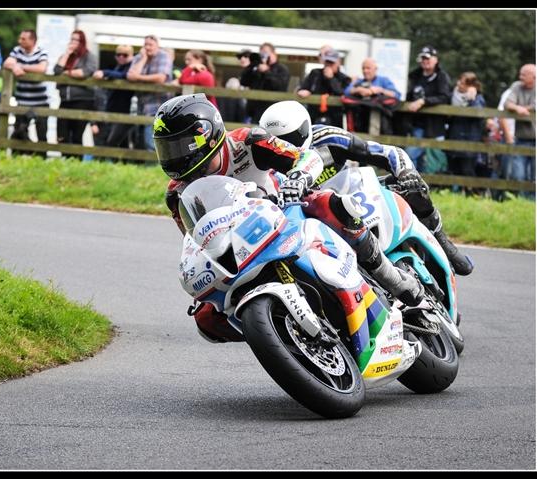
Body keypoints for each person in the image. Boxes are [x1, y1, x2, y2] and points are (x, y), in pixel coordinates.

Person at [154, 94, 424, 343]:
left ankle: (391, 278)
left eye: (179, 146)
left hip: (285, 208)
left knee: (330, 204)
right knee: (206, 320)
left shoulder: (247, 141)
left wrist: (298, 179)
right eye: (166, 149)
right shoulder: (177, 193)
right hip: (242, 241)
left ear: (207, 135)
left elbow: (305, 157)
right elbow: (195, 237)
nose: (173, 158)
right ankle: (280, 333)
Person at [259, 100, 474, 277]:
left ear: (305, 130)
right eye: (277, 141)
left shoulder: (328, 137)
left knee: (414, 188)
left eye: (290, 139)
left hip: (357, 196)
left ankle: (441, 240)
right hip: (316, 220)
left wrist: (406, 174)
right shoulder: (265, 162)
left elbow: (388, 153)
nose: (285, 147)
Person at [402, 46, 452, 172]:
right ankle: (412, 185)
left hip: (434, 126)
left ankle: (428, 185)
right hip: (416, 123)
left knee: (430, 158)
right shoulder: (415, 76)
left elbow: (444, 97)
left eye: (428, 58)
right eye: (423, 58)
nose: (425, 61)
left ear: (435, 60)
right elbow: (407, 94)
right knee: (413, 156)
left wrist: (423, 101)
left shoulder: (441, 77)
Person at [126, 34, 173, 151]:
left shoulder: (163, 56)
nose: (147, 47)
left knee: (151, 140)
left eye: (150, 45)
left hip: (159, 105)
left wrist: (139, 77)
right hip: (141, 105)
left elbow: (161, 78)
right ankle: (147, 166)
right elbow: (130, 76)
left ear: (157, 45)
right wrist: (144, 59)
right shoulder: (140, 57)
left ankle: (154, 166)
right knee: (141, 138)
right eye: (145, 44)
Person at [4, 29, 50, 145]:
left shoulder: (41, 52)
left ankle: (41, 157)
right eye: (20, 38)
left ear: (33, 40)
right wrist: (14, 67)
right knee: (19, 131)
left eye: (23, 39)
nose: (20, 41)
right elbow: (7, 63)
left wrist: (21, 66)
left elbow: (41, 68)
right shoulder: (17, 50)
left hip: (40, 100)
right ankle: (19, 156)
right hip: (22, 100)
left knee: (42, 132)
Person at [53, 30, 98, 146]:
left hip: (82, 100)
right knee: (62, 134)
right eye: (71, 39)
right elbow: (57, 71)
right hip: (65, 100)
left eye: (75, 40)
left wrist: (67, 73)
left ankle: (76, 161)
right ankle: (64, 160)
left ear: (81, 42)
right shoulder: (66, 57)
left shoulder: (89, 56)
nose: (72, 42)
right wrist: (67, 54)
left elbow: (85, 72)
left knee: (77, 135)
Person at [447, 72, 487, 191]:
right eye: (459, 80)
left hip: (469, 140)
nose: (458, 84)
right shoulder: (453, 96)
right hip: (453, 137)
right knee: (454, 169)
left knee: (467, 171)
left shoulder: (478, 98)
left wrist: (471, 99)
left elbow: (479, 114)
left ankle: (473, 194)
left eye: (462, 82)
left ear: (471, 85)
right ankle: (456, 194)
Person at [92, 44, 136, 148]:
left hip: (125, 109)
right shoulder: (118, 67)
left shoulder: (132, 66)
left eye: (125, 55)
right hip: (113, 108)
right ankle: (120, 162)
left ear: (131, 56)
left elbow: (124, 75)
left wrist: (105, 72)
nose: (121, 57)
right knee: (119, 140)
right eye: (118, 54)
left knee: (113, 140)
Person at [342, 57, 401, 134]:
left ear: (375, 69)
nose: (365, 71)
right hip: (360, 124)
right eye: (363, 68)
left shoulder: (383, 80)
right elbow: (346, 92)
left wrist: (379, 90)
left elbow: (396, 95)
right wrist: (358, 90)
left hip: (380, 126)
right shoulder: (359, 82)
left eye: (368, 68)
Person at [503, 63, 536, 199]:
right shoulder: (517, 86)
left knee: (534, 175)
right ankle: (522, 200)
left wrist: (523, 108)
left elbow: (535, 106)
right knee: (519, 174)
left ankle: (533, 203)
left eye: (523, 74)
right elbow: (507, 103)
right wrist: (518, 109)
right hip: (521, 138)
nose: (520, 76)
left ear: (533, 77)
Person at [297, 48, 351, 127]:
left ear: (338, 63)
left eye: (331, 62)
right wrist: (303, 91)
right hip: (314, 116)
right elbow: (303, 88)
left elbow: (341, 93)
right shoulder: (315, 73)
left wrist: (331, 79)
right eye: (327, 62)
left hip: (334, 118)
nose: (328, 65)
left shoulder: (344, 78)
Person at [239, 42, 289, 123]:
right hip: (255, 112)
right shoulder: (256, 68)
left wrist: (266, 71)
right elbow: (244, 82)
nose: (263, 55)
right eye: (261, 53)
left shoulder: (281, 69)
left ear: (273, 54)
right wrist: (251, 66)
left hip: (273, 112)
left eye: (265, 53)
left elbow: (279, 86)